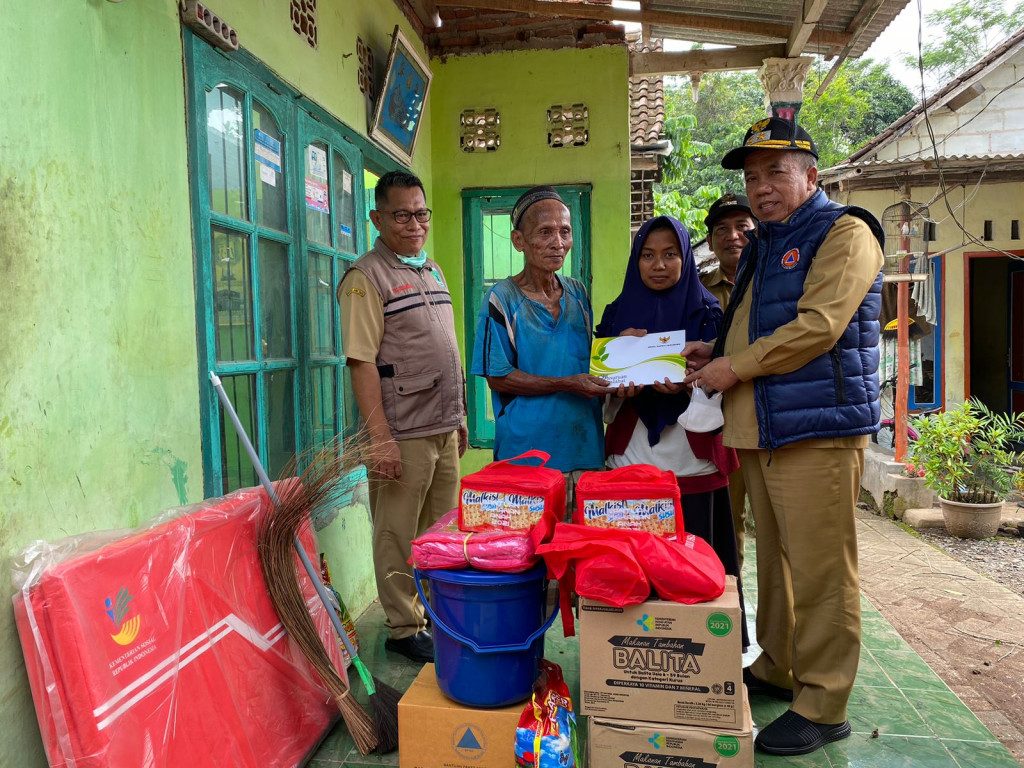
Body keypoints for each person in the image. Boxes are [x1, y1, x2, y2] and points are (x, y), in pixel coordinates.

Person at [682, 117, 884, 756]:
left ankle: (825, 703)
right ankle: (777, 665)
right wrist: (710, 348)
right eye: (752, 175)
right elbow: (750, 332)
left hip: (817, 430)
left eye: (776, 171)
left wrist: (730, 366)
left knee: (823, 570)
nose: (761, 187)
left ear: (811, 175)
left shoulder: (845, 233)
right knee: (774, 563)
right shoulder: (766, 245)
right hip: (763, 430)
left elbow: (819, 327)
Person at [597, 215, 748, 649]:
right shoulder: (616, 316)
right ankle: (629, 649)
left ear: (685, 257)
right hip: (633, 451)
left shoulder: (710, 313)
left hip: (692, 452)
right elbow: (601, 385)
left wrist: (695, 379)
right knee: (636, 554)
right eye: (647, 255)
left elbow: (730, 379)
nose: (658, 265)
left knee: (696, 558)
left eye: (669, 255)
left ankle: (705, 649)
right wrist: (618, 379)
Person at [338, 170, 467, 664]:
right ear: (377, 217)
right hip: (402, 431)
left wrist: (458, 416)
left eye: (421, 213)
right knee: (396, 532)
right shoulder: (365, 277)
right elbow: (361, 361)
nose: (414, 223)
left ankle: (436, 617)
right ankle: (402, 626)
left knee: (440, 529)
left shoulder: (430, 269)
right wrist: (380, 440)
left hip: (441, 425)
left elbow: (444, 350)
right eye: (401, 215)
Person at [471, 186, 607, 510]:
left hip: (584, 450)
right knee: (531, 555)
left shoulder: (578, 292)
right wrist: (567, 384)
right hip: (527, 458)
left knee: (579, 551)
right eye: (545, 232)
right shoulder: (501, 299)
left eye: (565, 232)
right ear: (519, 240)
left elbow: (590, 356)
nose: (558, 243)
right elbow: (498, 377)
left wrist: (625, 346)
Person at [700, 194, 757, 570]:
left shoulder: (775, 283)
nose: (732, 236)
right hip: (718, 423)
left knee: (778, 527)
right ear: (710, 241)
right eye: (722, 229)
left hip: (770, 416)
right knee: (728, 518)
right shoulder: (700, 289)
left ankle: (782, 623)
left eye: (743, 227)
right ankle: (732, 614)